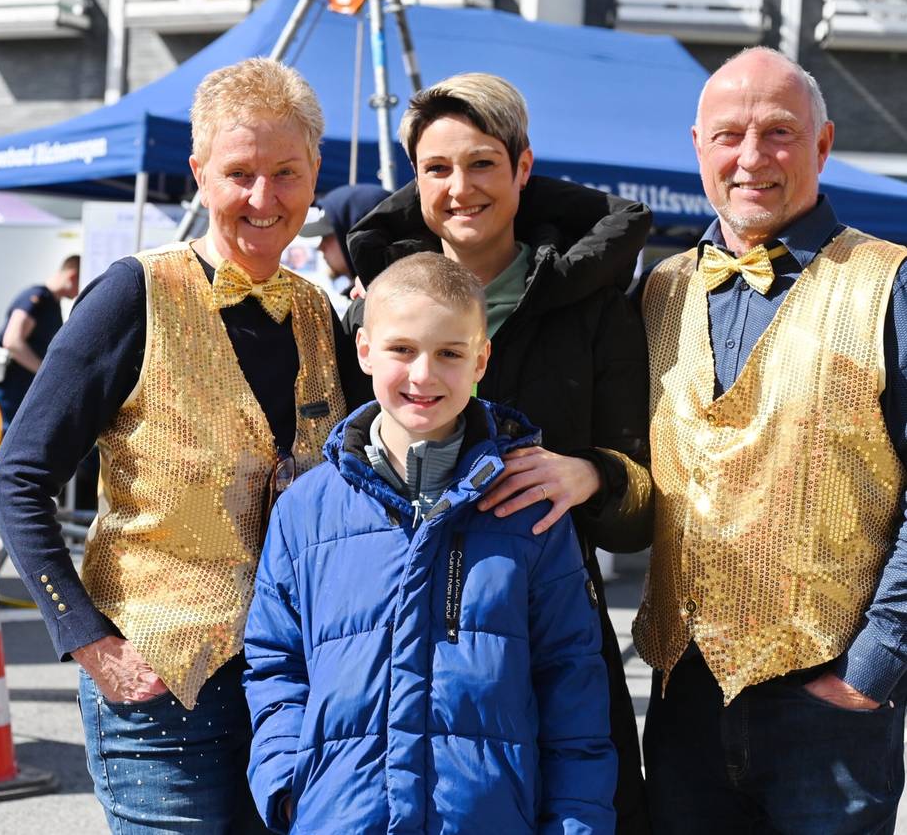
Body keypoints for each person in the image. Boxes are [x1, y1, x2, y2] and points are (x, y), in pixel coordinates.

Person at [0, 57, 368, 832]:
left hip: (292, 694)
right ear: (199, 173)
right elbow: (17, 477)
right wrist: (88, 641)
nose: (264, 199)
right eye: (239, 174)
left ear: (316, 171)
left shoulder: (320, 315)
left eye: (287, 173)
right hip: (159, 693)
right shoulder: (134, 294)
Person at [346, 72, 653, 833]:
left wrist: (593, 475)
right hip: (390, 633)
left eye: (482, 163)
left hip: (547, 633)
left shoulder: (595, 306)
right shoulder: (373, 300)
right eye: (437, 169)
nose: (461, 187)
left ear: (522, 166)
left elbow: (638, 511)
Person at [244, 252, 617, 833]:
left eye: (449, 353)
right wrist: (287, 784)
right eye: (402, 350)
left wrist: (576, 822)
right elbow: (275, 662)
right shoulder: (305, 508)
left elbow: (571, 679)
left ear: (481, 360)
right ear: (364, 350)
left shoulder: (528, 508)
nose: (423, 375)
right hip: (339, 816)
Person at [634, 46, 907, 834]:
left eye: (779, 133)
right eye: (729, 135)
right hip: (684, 700)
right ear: (697, 147)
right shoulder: (661, 289)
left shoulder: (889, 282)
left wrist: (878, 664)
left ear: (822, 146)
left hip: (830, 706)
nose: (751, 157)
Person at [0, 254, 80, 425]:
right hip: (9, 393)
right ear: (72, 276)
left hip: (21, 392)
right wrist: (45, 372)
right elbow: (12, 341)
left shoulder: (52, 304)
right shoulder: (37, 297)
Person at [299, 182, 390, 289]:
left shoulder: (390, 298)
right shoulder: (378, 295)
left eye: (327, 236)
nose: (320, 247)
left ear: (358, 234)